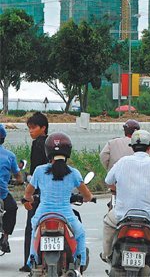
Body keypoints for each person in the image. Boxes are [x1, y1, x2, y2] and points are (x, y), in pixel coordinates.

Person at [102, 130, 150, 271]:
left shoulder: (122, 162)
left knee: (108, 223)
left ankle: (107, 255)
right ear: (149, 147)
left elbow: (108, 181)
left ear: (132, 147)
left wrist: (117, 188)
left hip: (122, 215)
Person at [23, 133, 94, 269]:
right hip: (65, 215)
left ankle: (31, 261)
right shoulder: (74, 173)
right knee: (80, 233)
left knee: (34, 231)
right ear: (68, 152)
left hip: (43, 215)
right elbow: (87, 195)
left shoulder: (39, 171)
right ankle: (80, 265)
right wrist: (88, 198)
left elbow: (28, 193)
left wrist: (29, 199)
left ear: (47, 151)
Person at [20, 112, 49, 273]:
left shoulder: (37, 144)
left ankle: (28, 262)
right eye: (29, 128)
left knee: (31, 226)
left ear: (43, 128)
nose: (30, 131)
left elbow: (35, 170)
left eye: (33, 128)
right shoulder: (51, 143)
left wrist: (29, 192)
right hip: (51, 190)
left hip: (38, 191)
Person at [0, 124, 21, 254]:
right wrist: (19, 181)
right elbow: (18, 176)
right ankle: (5, 237)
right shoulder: (9, 156)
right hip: (2, 193)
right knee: (12, 208)